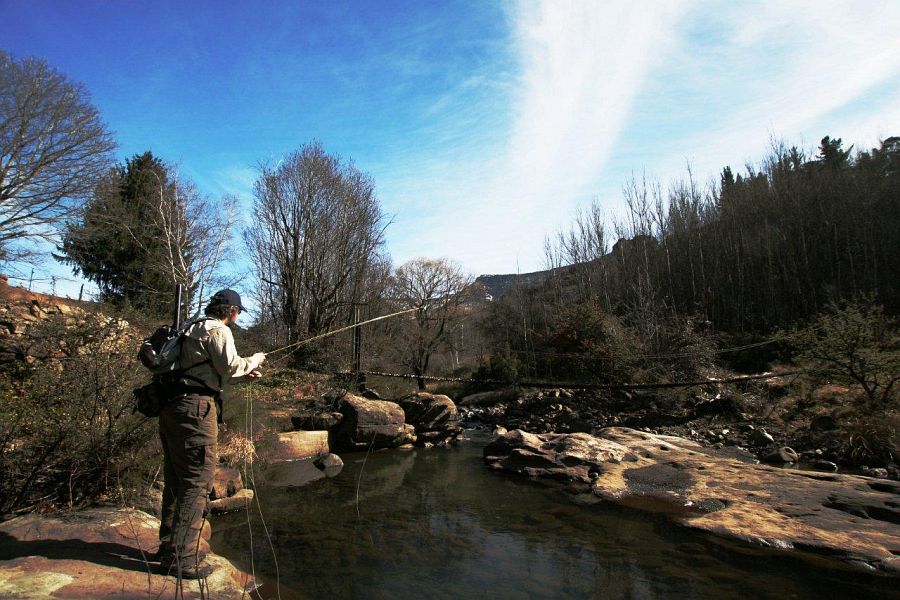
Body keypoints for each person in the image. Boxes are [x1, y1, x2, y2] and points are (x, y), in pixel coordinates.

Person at [155, 289, 265, 578]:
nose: (238, 317)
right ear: (230, 310)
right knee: (197, 481)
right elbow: (230, 365)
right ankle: (181, 559)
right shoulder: (219, 330)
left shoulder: (191, 326)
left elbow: (211, 369)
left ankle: (168, 547)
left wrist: (242, 371)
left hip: (172, 408)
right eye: (238, 312)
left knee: (176, 479)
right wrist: (253, 360)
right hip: (196, 412)